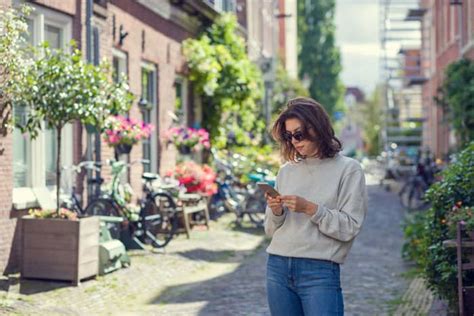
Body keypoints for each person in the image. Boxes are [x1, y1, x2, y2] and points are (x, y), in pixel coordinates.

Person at [264, 97, 368, 316]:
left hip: (319, 270)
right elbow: (270, 230)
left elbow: (350, 227)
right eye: (288, 136)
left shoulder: (349, 169)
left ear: (317, 127)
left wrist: (311, 209)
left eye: (299, 134)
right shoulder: (286, 171)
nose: (294, 141)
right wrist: (277, 211)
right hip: (278, 267)